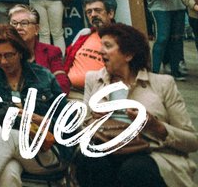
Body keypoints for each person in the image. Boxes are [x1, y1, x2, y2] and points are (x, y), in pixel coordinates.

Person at [76, 23, 197, 187]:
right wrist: (94, 121)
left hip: (152, 154)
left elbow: (192, 141)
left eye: (108, 46)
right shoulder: (94, 79)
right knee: (88, 158)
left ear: (128, 55)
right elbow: (83, 128)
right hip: (107, 151)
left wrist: (156, 126)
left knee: (134, 169)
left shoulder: (163, 84)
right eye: (101, 45)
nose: (100, 51)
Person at [0, 25, 66, 187]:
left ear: (21, 52)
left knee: (7, 136)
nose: (3, 61)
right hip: (3, 150)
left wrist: (43, 121)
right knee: (7, 173)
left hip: (45, 151)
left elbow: (67, 120)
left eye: (9, 55)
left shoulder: (43, 76)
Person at [7, 4, 68, 92]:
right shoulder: (2, 51)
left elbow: (62, 85)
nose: (18, 27)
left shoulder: (51, 52)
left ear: (36, 29)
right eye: (14, 23)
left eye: (24, 23)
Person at [64, 0, 116, 92]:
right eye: (89, 12)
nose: (93, 14)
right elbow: (68, 59)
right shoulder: (84, 34)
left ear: (110, 14)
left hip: (100, 92)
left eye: (98, 10)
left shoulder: (120, 38)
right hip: (70, 90)